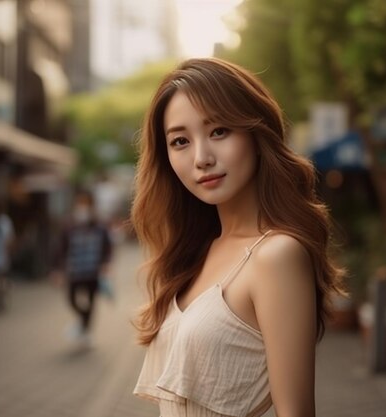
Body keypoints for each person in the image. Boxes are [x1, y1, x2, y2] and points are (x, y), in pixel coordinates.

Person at [131, 58, 344, 417]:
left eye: (219, 131)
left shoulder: (276, 255)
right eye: (180, 141)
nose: (202, 158)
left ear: (256, 134)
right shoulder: (196, 251)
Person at [52, 189, 112, 346]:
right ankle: (83, 322)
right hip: (74, 271)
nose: (83, 207)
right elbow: (61, 247)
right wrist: (57, 269)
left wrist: (106, 263)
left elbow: (107, 246)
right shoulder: (68, 224)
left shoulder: (100, 224)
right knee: (71, 300)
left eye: (86, 203)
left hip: (92, 271)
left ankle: (86, 331)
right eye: (81, 203)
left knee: (91, 302)